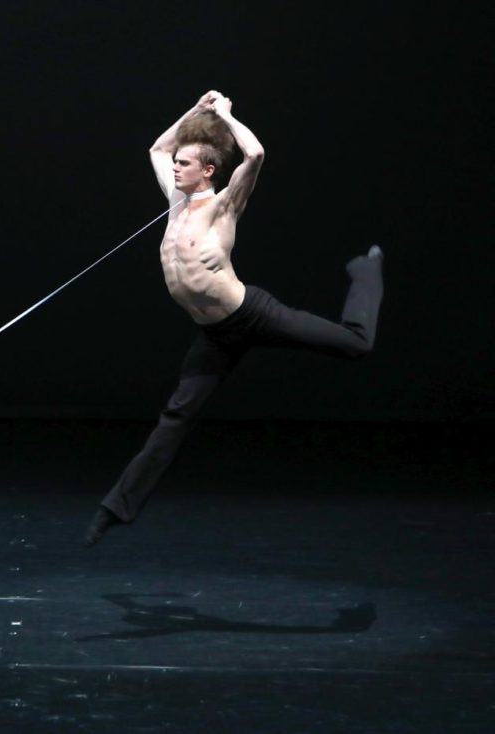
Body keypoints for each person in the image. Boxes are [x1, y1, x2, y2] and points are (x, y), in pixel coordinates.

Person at [85, 90, 383, 545]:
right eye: (178, 164)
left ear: (208, 171)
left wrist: (224, 115)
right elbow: (157, 149)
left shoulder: (224, 205)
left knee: (356, 345)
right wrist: (198, 111)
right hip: (214, 336)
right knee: (175, 417)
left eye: (186, 164)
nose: (175, 168)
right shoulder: (174, 200)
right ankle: (115, 508)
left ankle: (365, 272)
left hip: (252, 315)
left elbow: (256, 152)